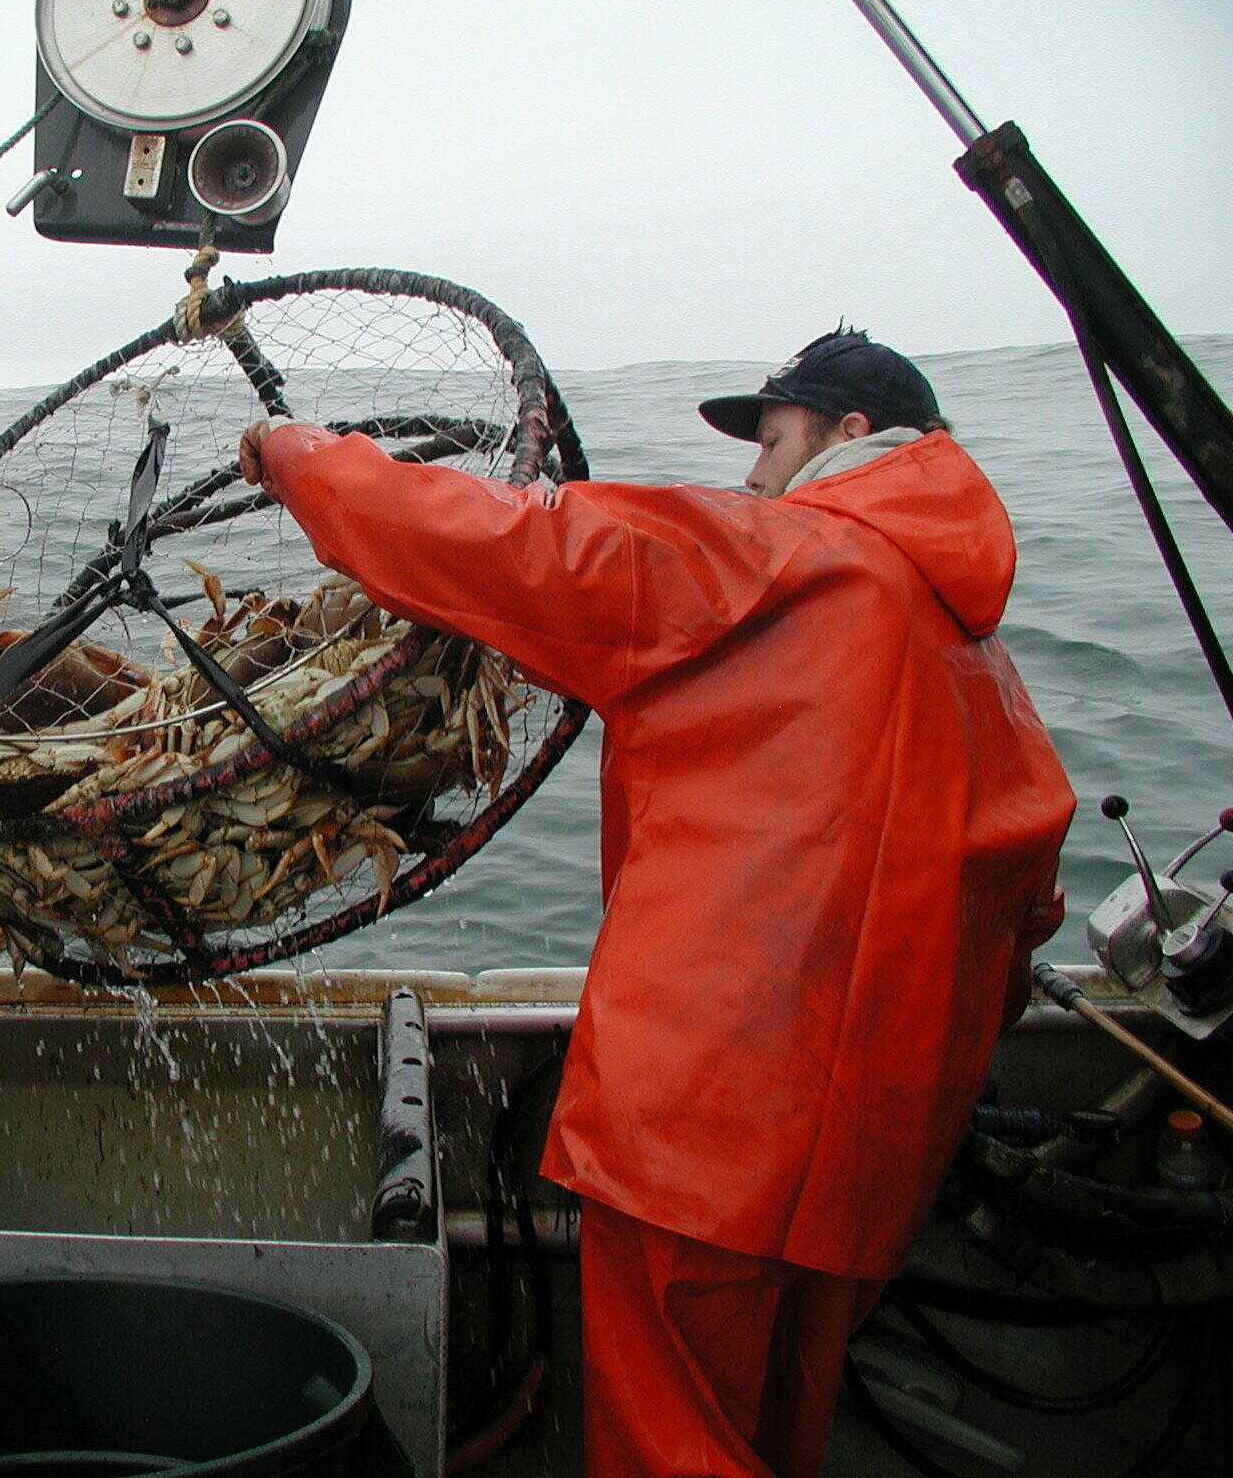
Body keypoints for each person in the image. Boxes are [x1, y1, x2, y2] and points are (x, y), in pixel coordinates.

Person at [237, 327, 1076, 1478]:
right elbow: (1026, 912)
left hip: (708, 1130)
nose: (749, 474)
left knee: (668, 1448)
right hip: (872, 1163)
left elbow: (510, 547)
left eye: (770, 438)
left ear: (850, 435)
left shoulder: (780, 559)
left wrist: (299, 459)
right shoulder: (977, 655)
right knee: (768, 1439)